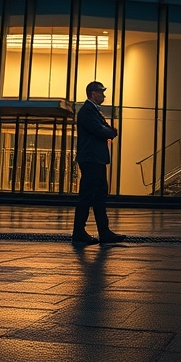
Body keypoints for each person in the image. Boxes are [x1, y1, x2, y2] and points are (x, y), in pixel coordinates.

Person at [72, 80, 125, 246]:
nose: (104, 95)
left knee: (99, 195)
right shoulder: (87, 111)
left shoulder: (94, 111)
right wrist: (109, 132)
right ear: (94, 93)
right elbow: (103, 131)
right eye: (101, 92)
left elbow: (107, 130)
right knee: (88, 195)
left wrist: (109, 131)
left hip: (96, 159)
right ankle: (79, 231)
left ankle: (104, 231)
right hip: (91, 159)